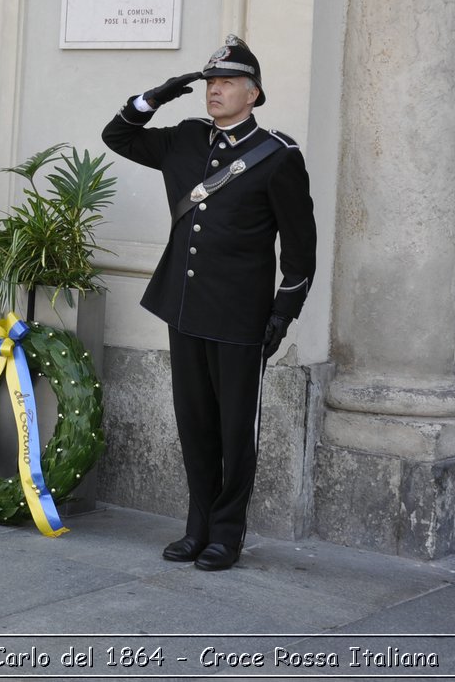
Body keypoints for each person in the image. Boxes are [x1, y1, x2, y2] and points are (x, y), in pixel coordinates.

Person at [101, 35, 316, 571]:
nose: (214, 90)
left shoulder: (277, 156)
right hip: (184, 304)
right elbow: (118, 136)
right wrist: (156, 97)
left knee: (234, 427)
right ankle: (197, 526)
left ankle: (227, 531)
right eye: (209, 82)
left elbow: (301, 249)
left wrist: (282, 314)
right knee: (193, 421)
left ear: (254, 94)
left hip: (241, 314)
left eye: (226, 83)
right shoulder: (184, 140)